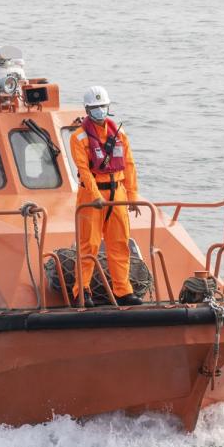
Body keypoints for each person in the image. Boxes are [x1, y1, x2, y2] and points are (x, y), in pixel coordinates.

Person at [69, 86, 143, 307]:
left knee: (120, 243)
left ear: (108, 107)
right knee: (88, 244)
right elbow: (83, 169)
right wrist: (94, 195)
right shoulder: (79, 137)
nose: (99, 110)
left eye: (102, 106)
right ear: (87, 109)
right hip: (92, 197)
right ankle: (81, 291)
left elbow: (129, 166)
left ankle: (122, 291)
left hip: (117, 193)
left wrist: (132, 196)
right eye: (94, 107)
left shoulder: (120, 134)